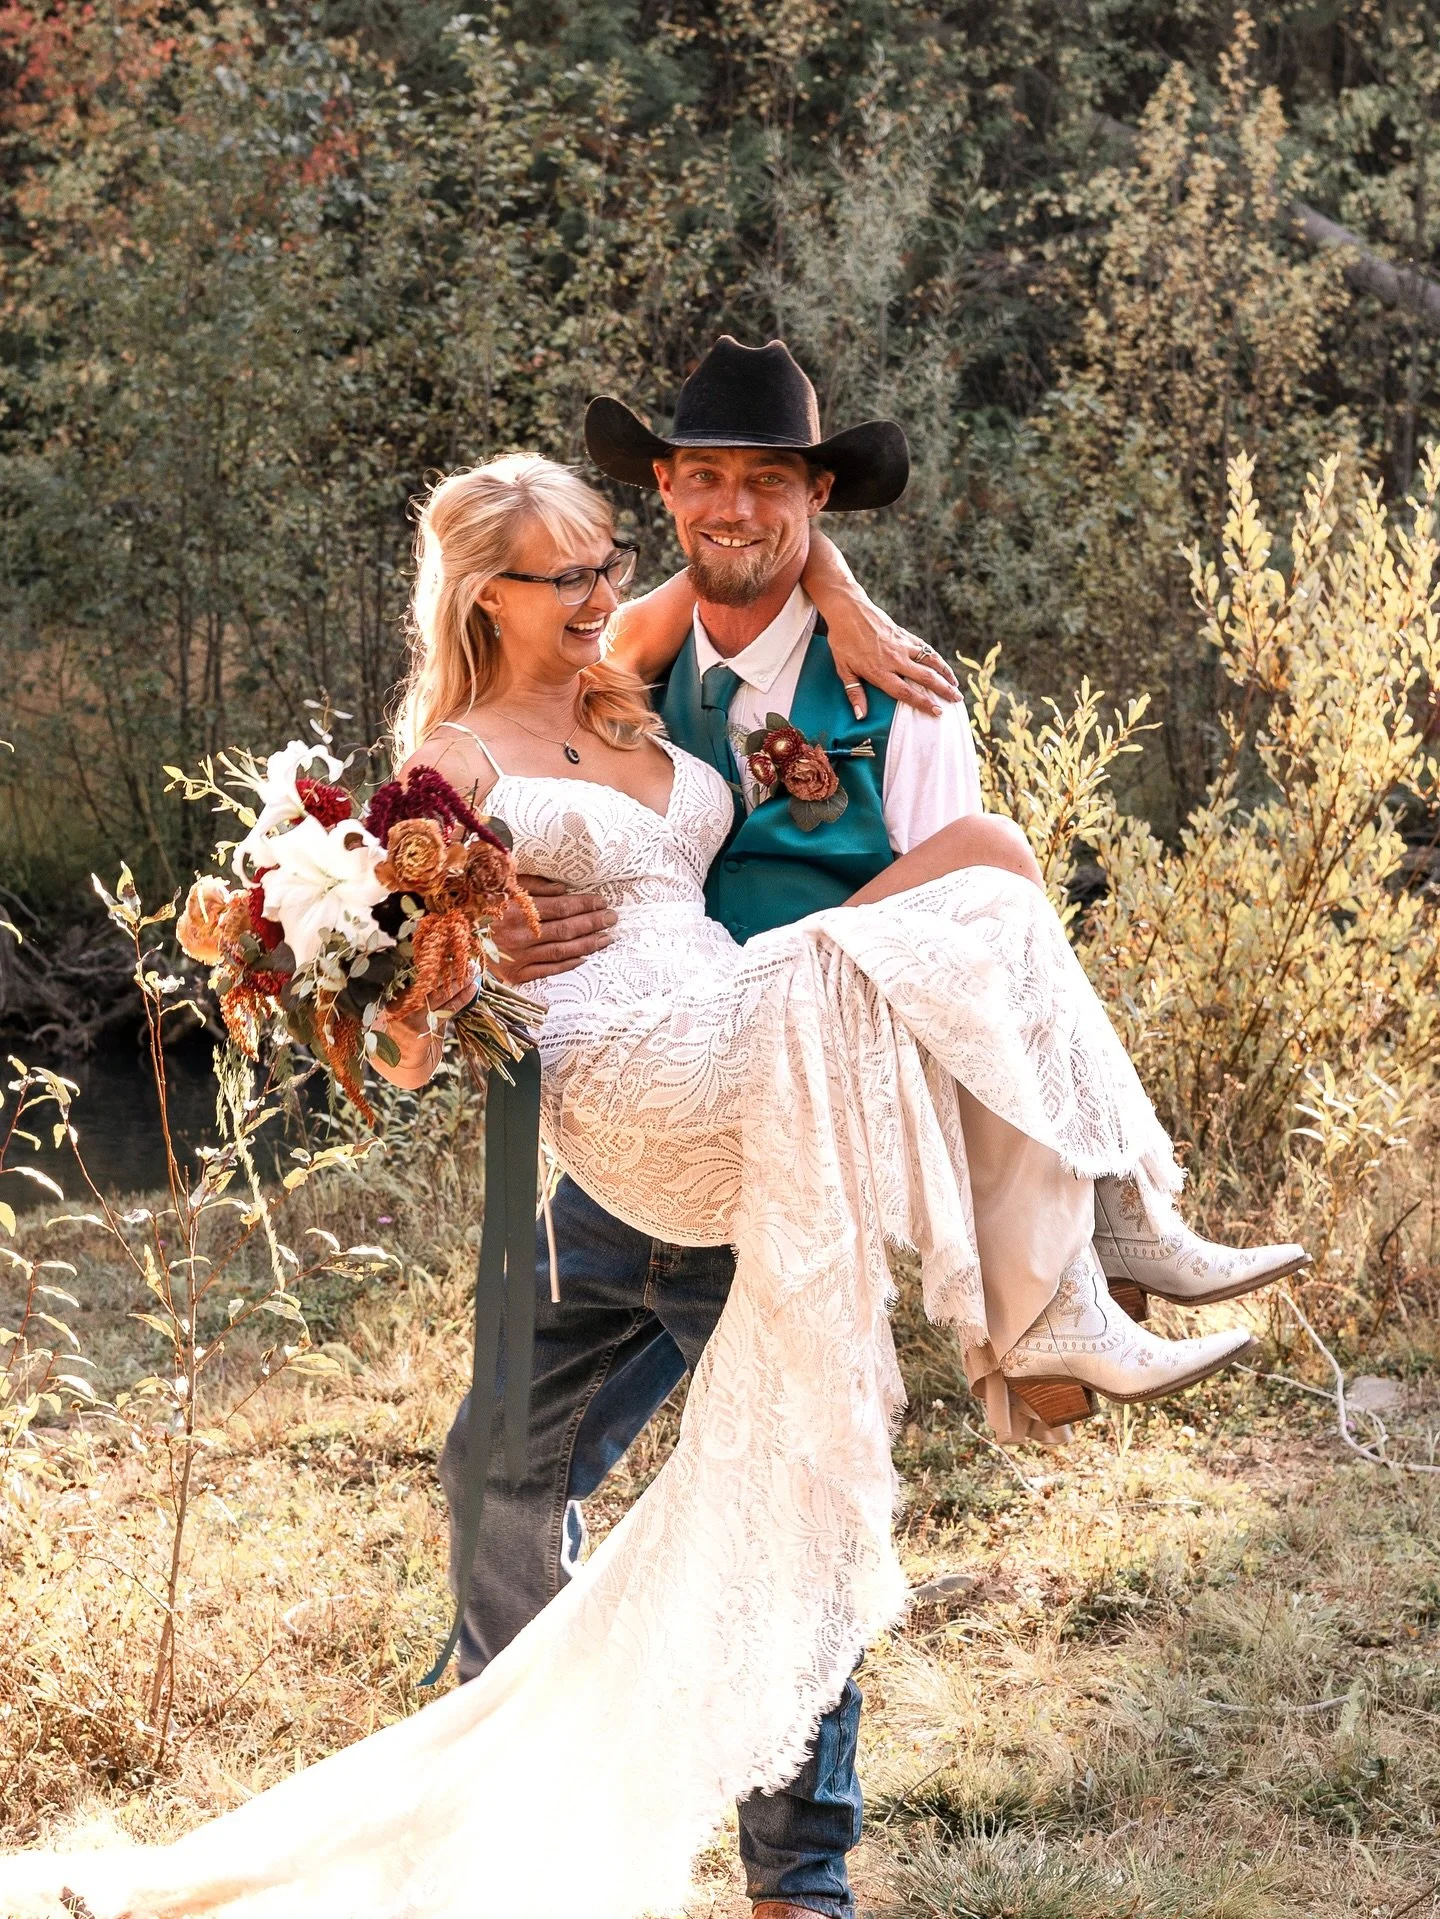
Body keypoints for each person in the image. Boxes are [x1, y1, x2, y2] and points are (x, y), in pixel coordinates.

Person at [0, 360, 1305, 1919]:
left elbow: (741, 557)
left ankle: (1092, 1252)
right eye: (568, 573)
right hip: (648, 1089)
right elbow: (412, 1038)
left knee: (796, 1438)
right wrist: (446, 966)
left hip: (744, 1061)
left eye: (604, 562)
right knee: (543, 1462)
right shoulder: (450, 774)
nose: (605, 586)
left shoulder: (633, 672)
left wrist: (845, 596)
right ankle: (536, 1804)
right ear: (488, 599)